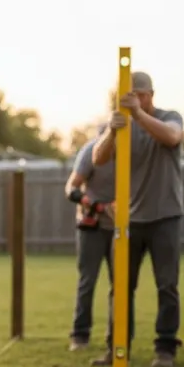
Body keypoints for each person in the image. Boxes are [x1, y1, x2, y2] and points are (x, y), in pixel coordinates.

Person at [91, 70, 184, 367]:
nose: (134, 100)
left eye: (139, 95)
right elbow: (98, 158)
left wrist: (137, 115)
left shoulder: (170, 117)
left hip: (165, 216)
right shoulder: (120, 125)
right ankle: (117, 347)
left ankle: (165, 349)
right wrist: (111, 130)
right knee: (120, 286)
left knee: (166, 284)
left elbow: (171, 137)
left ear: (150, 95)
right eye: (129, 96)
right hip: (129, 220)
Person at [65, 128, 115, 351]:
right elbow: (71, 188)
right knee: (87, 281)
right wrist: (96, 206)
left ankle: (116, 337)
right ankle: (80, 335)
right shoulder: (89, 152)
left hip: (120, 228)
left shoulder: (133, 154)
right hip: (91, 226)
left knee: (121, 285)